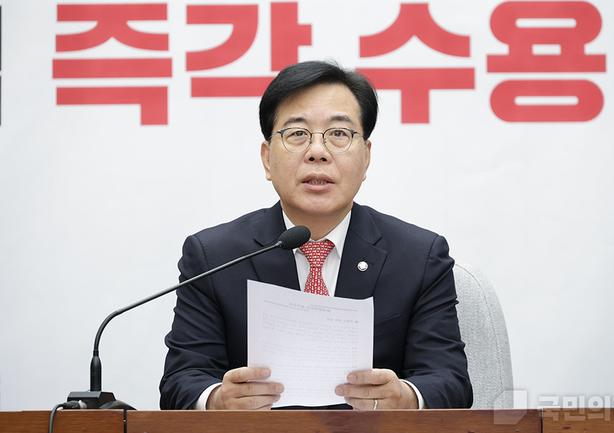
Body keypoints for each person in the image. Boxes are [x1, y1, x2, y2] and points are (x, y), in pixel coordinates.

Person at [159, 60, 472, 411]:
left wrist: (406, 397)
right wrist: (217, 400)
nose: (318, 152)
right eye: (297, 134)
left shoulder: (418, 256)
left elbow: (450, 380)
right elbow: (181, 381)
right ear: (267, 158)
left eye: (339, 134)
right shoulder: (214, 257)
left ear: (366, 157)